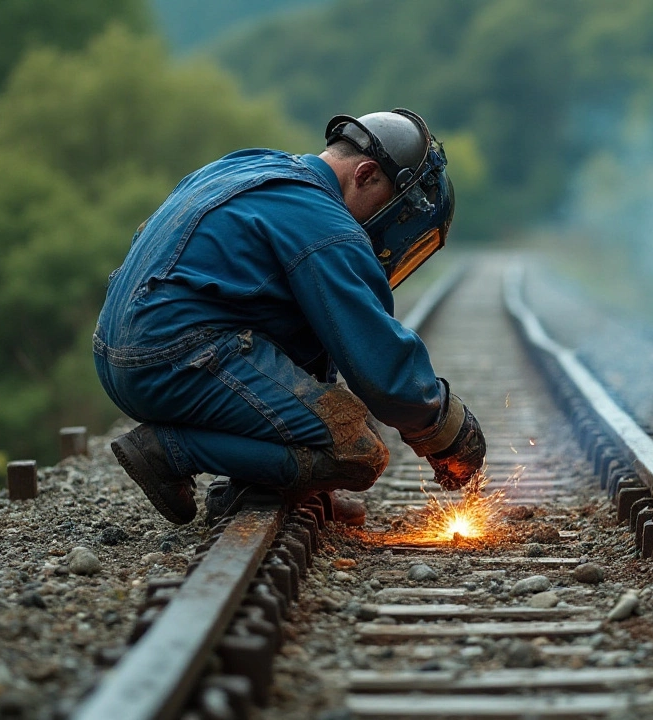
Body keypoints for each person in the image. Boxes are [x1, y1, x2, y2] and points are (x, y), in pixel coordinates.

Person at [93, 109, 486, 526]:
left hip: (116, 357)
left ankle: (252, 485)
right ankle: (170, 451)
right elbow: (382, 372)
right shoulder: (324, 221)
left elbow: (305, 344)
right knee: (357, 450)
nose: (382, 234)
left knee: (320, 408)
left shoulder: (247, 166)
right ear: (366, 175)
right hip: (177, 361)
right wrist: (443, 424)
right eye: (394, 211)